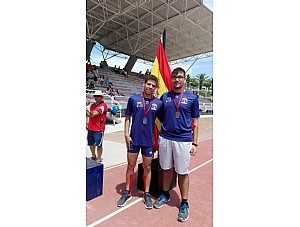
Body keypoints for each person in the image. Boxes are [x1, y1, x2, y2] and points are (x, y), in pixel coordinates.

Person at [153, 67, 200, 222]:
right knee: (166, 169)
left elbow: (196, 122)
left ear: (184, 79)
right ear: (171, 79)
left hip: (184, 140)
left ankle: (184, 203)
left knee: (182, 172)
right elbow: (157, 115)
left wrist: (195, 143)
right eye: (174, 77)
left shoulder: (192, 98)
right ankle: (165, 194)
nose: (177, 80)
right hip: (165, 138)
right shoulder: (164, 96)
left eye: (180, 77)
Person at [117, 75, 163, 209]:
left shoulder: (158, 103)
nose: (150, 87)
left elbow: (164, 121)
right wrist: (126, 134)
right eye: (148, 84)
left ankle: (146, 193)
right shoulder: (133, 99)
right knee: (130, 166)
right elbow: (127, 118)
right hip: (134, 139)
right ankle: (127, 192)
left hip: (148, 141)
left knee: (147, 167)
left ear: (156, 88)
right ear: (144, 84)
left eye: (153, 86)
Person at [86, 90, 108, 163]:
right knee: (90, 143)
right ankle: (93, 155)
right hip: (90, 128)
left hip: (99, 129)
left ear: (101, 97)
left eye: (98, 96)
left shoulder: (103, 106)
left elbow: (92, 114)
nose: (96, 98)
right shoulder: (92, 105)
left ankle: (99, 157)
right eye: (95, 96)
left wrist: (88, 112)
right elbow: (89, 114)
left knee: (99, 145)